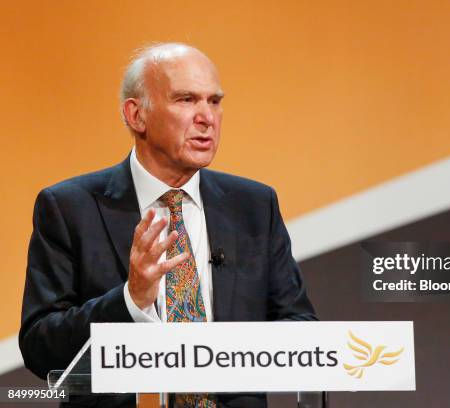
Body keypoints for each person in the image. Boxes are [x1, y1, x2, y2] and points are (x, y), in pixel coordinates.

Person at [19, 43, 316, 408]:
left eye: (215, 101)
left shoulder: (254, 206)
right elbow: (39, 346)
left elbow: (299, 325)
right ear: (136, 115)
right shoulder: (69, 207)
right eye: (186, 100)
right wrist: (132, 299)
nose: (207, 117)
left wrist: (219, 356)